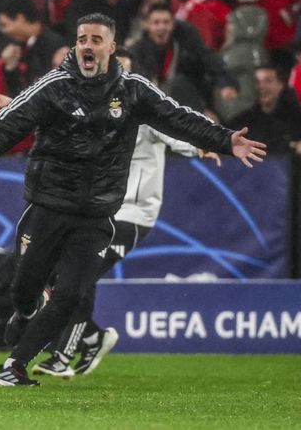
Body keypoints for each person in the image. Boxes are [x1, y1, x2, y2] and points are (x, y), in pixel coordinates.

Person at [0, 13, 268, 386]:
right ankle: (27, 309)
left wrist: (225, 140)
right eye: (82, 39)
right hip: (48, 205)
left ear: (111, 47)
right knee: (25, 288)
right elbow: (10, 123)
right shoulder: (54, 86)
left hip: (98, 214)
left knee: (71, 293)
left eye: (96, 40)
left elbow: (178, 118)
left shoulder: (134, 91)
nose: (87, 46)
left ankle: (15, 366)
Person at [33, 53, 216, 379]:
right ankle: (92, 337)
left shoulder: (145, 110)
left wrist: (204, 143)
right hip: (99, 209)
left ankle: (65, 354)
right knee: (58, 274)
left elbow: (177, 130)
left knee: (79, 275)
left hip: (134, 213)